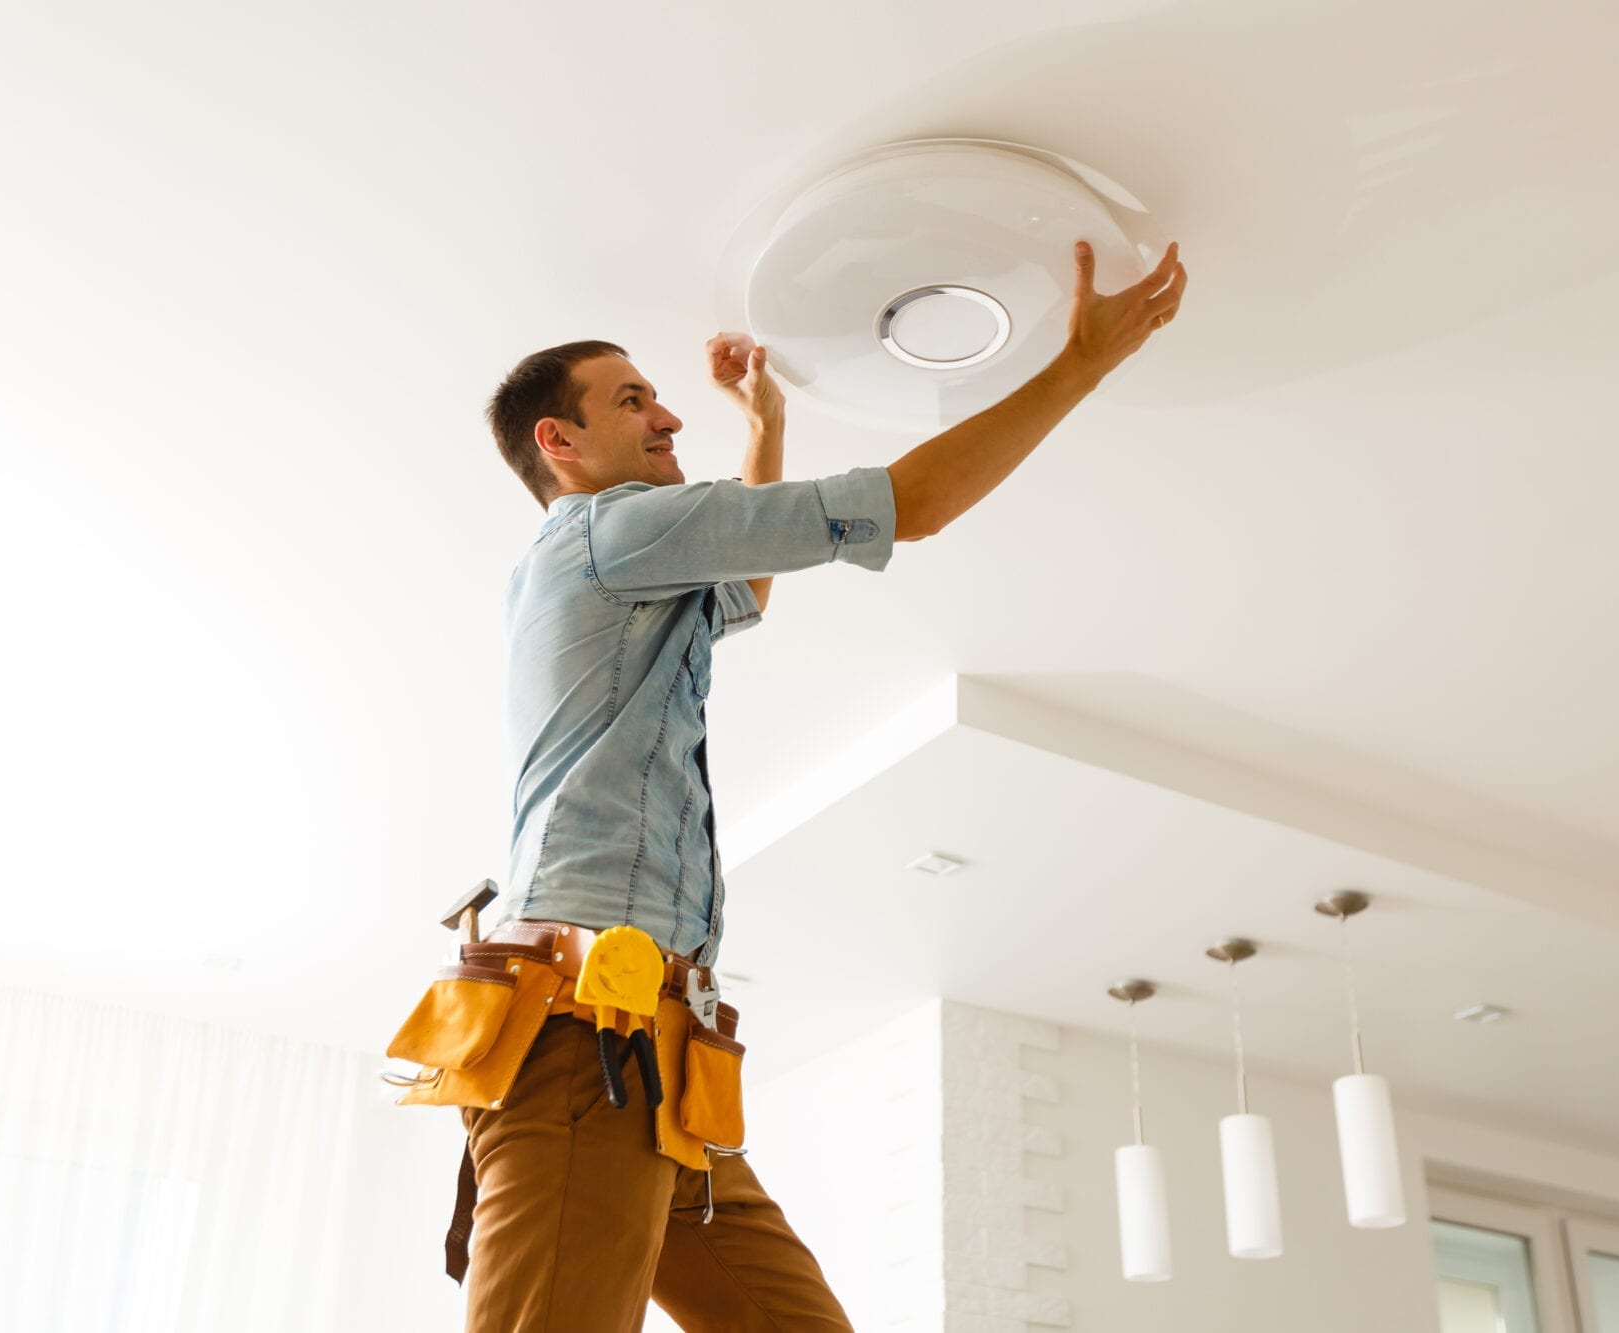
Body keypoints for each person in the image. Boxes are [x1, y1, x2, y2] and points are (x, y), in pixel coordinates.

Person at [460, 240, 1186, 1331]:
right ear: (557, 443)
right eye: (630, 400)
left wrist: (765, 426)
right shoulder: (607, 534)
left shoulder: (630, 570)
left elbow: (747, 585)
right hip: (586, 1041)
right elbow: (913, 502)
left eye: (659, 397)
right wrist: (1078, 360)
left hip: (660, 1053)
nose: (665, 417)